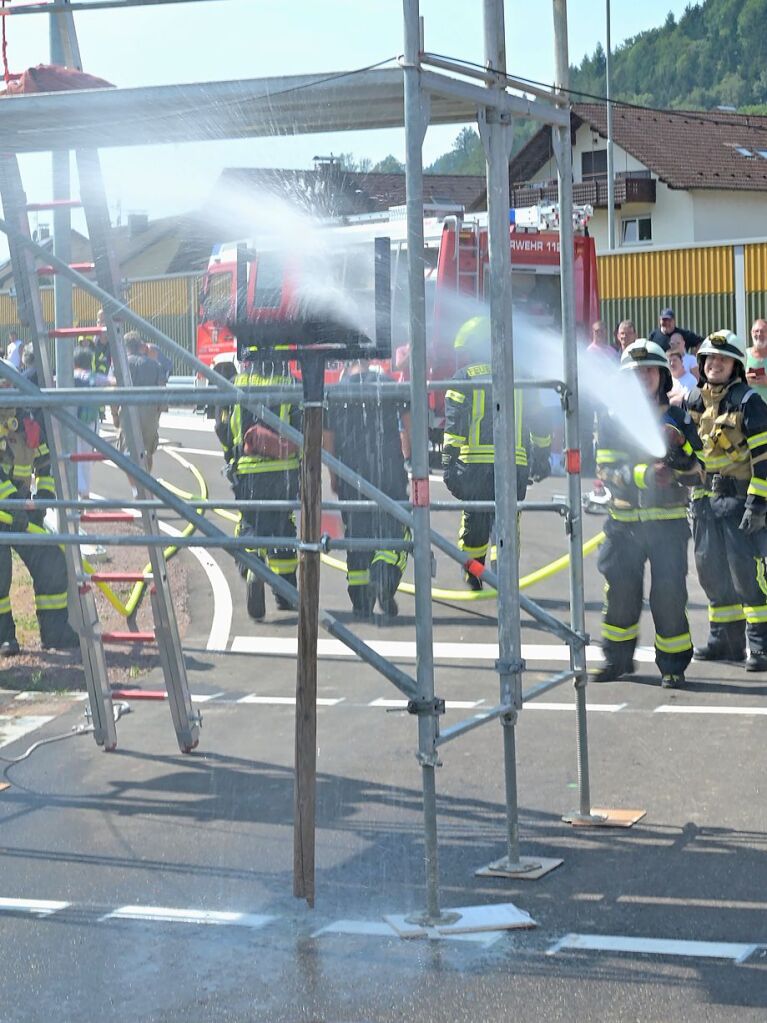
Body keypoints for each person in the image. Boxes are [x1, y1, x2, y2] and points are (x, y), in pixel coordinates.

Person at [593, 339, 703, 688]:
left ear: (662, 376)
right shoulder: (612, 419)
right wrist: (643, 476)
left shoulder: (678, 418)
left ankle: (673, 666)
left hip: (668, 524)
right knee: (620, 595)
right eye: (635, 373)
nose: (643, 378)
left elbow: (700, 469)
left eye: (649, 371)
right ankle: (617, 660)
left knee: (669, 595)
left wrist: (681, 467)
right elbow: (606, 470)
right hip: (624, 525)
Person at [442, 316, 551, 590]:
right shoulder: (521, 376)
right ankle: (503, 575)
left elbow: (455, 427)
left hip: (474, 467)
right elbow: (539, 421)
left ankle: (474, 573)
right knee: (507, 523)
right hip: (513, 466)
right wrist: (542, 455)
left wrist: (448, 462)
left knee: (474, 523)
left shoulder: (464, 377)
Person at [686, 329, 767, 671]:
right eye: (710, 359)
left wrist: (758, 504)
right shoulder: (693, 401)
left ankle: (760, 647)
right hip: (705, 504)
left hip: (740, 504)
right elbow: (690, 453)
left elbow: (763, 458)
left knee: (747, 577)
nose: (715, 364)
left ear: (735, 365)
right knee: (712, 575)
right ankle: (724, 640)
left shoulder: (749, 402)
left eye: (723, 359)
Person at [0, 361, 80, 655]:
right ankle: (3, 636)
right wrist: (11, 503)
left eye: (10, 384)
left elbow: (44, 461)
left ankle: (55, 631)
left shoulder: (27, 420)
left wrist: (43, 498)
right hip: (7, 508)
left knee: (51, 558)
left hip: (20, 510)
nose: (7, 389)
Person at [217, 352, 301, 621]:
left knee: (249, 522)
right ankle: (285, 592)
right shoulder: (290, 384)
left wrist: (231, 456)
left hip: (249, 471)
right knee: (282, 526)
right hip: (283, 473)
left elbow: (224, 428)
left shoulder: (238, 384)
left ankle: (253, 566)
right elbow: (302, 429)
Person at [324, 360, 409, 620]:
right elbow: (409, 425)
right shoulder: (390, 386)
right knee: (397, 528)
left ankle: (361, 600)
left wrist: (335, 475)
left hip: (353, 474)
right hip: (389, 471)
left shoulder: (336, 392)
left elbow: (327, 440)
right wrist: (407, 459)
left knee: (358, 535)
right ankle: (384, 573)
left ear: (347, 368)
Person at [112, 331, 164, 477]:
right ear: (140, 345)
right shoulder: (154, 364)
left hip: (128, 413)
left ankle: (136, 491)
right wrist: (156, 415)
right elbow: (162, 392)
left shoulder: (121, 364)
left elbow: (114, 392)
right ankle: (147, 484)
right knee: (147, 452)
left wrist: (115, 416)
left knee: (128, 454)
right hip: (150, 413)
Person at [745, 318, 767, 403]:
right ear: (751, 333)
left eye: (763, 331)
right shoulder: (744, 355)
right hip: (748, 410)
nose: (759, 334)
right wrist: (745, 379)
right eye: (756, 331)